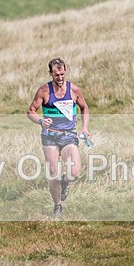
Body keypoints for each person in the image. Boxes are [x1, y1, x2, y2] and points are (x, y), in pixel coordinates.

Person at [27, 57, 90, 217]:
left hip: (69, 136)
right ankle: (57, 207)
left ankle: (64, 182)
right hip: (50, 137)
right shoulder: (44, 91)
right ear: (50, 74)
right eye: (56, 75)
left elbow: (84, 108)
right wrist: (40, 121)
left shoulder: (74, 90)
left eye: (62, 74)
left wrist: (84, 127)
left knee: (74, 173)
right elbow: (30, 111)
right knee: (53, 171)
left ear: (65, 71)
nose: (60, 78)